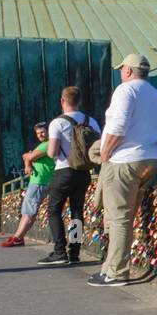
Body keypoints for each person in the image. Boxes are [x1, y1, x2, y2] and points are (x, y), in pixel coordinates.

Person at [88, 54, 157, 288]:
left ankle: (115, 272)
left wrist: (105, 154)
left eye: (122, 69)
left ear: (129, 71)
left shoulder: (125, 91)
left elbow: (118, 126)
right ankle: (110, 267)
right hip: (151, 159)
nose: (120, 73)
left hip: (124, 161)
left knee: (120, 219)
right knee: (127, 216)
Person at [39, 87, 100, 266]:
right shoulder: (92, 122)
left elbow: (51, 152)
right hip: (84, 173)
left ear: (62, 101)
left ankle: (59, 252)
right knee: (76, 212)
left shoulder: (57, 123)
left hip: (64, 171)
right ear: (79, 101)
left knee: (54, 210)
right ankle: (74, 252)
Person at [2, 123, 54, 247]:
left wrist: (28, 160)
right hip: (36, 180)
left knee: (30, 211)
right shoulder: (42, 145)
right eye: (38, 133)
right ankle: (18, 236)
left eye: (42, 132)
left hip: (40, 181)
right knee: (26, 211)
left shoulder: (48, 144)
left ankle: (18, 237)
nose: (40, 135)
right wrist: (28, 163)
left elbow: (28, 156)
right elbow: (25, 156)